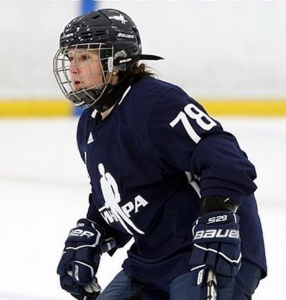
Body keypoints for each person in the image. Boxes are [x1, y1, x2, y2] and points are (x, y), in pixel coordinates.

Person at [53, 8, 267, 300]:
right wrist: (95, 231)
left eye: (85, 57)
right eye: (71, 58)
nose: (73, 68)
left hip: (207, 251)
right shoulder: (89, 126)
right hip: (152, 261)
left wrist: (219, 215)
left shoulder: (155, 103)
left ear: (117, 63)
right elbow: (123, 198)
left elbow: (226, 159)